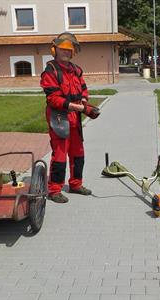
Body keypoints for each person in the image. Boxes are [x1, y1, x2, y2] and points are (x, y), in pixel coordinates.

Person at [40, 32, 100, 203]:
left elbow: (83, 89)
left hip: (75, 116)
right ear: (55, 50)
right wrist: (76, 107)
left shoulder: (76, 70)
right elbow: (53, 98)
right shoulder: (50, 71)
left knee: (78, 152)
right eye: (63, 49)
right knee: (59, 154)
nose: (66, 52)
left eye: (69, 50)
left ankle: (75, 184)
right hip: (59, 116)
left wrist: (83, 101)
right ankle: (54, 189)